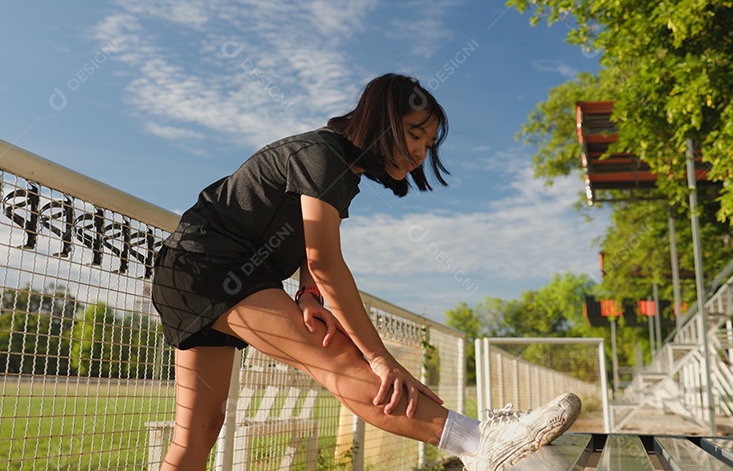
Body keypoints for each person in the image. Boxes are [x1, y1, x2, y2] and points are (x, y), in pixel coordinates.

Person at [150, 73, 581, 471]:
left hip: (195, 273)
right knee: (341, 358)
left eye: (428, 144)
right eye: (415, 134)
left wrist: (307, 295)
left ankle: (478, 440)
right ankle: (480, 442)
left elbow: (305, 245)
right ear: (381, 119)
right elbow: (325, 260)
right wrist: (380, 357)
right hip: (208, 267)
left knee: (200, 431)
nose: (420, 152)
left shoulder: (340, 168)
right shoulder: (322, 154)